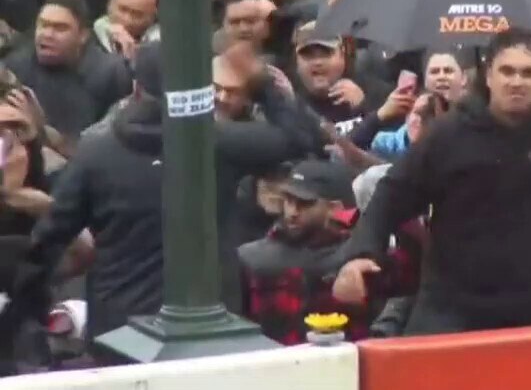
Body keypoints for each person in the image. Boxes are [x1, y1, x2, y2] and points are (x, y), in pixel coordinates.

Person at [332, 27, 531, 335]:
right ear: (488, 76)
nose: (517, 82)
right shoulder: (448, 134)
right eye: (507, 71)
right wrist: (361, 254)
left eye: (528, 73)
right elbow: (392, 193)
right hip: (451, 308)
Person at [12, 41, 325, 351]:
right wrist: (262, 85)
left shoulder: (97, 153)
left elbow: (47, 240)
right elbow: (300, 138)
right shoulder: (219, 144)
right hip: (206, 328)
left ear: (136, 89)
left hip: (120, 329)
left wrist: (29, 311)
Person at [238, 160, 375, 345]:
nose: (292, 212)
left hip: (346, 366)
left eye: (304, 203)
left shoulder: (361, 256)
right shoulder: (251, 258)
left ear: (334, 208)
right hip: (272, 366)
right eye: (288, 200)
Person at [3, 0, 132, 138]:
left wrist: (42, 129)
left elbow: (106, 148)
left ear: (83, 35)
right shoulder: (16, 67)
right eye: (43, 25)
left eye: (60, 28)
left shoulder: (110, 74)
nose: (47, 34)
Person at [92, 0, 159, 58]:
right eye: (123, 10)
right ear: (110, 5)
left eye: (137, 15)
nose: (127, 20)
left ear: (152, 18)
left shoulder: (159, 44)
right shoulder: (93, 35)